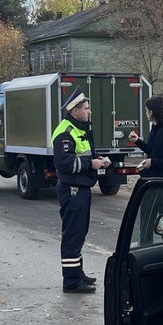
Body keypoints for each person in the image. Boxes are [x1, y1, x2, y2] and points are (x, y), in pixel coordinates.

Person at [52, 88, 111, 294]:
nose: (89, 112)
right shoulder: (65, 132)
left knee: (79, 234)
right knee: (72, 235)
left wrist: (99, 160)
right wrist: (90, 163)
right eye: (86, 108)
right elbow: (64, 164)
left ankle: (77, 273)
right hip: (72, 189)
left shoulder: (80, 128)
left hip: (81, 188)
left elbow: (85, 153)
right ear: (75, 110)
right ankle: (71, 282)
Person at [128, 96, 163, 180]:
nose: (146, 113)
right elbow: (152, 151)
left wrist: (153, 163)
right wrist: (137, 141)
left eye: (146, 110)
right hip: (153, 180)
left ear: (151, 112)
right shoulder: (155, 128)